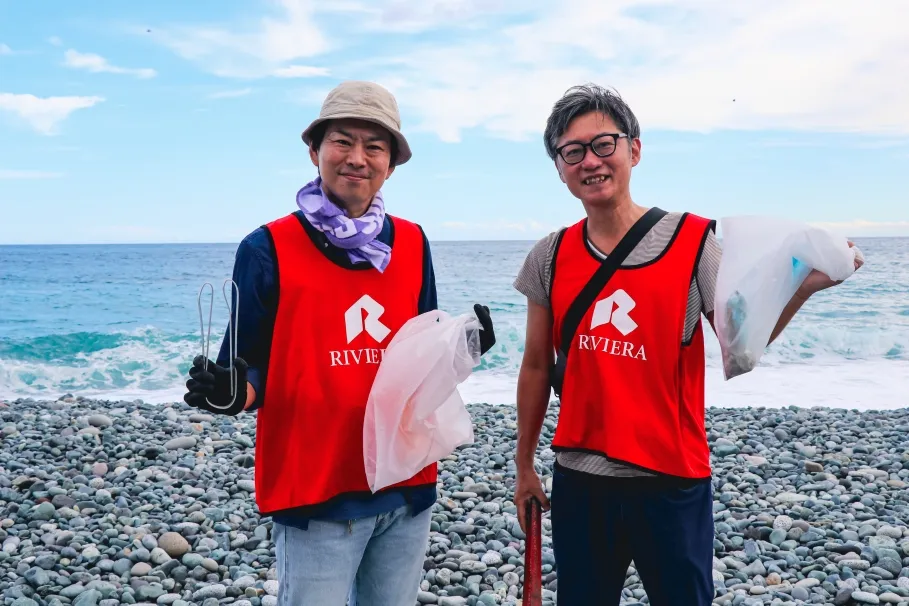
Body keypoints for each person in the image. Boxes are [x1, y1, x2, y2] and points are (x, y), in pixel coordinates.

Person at [511, 83, 863, 605]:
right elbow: (537, 365)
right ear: (560, 167)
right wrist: (523, 466)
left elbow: (740, 346)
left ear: (634, 148)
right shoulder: (550, 254)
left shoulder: (694, 241)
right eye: (572, 151)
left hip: (671, 477)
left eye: (603, 144)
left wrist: (806, 288)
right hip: (582, 480)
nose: (590, 161)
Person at [183, 80, 496, 606]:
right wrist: (230, 394)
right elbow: (249, 370)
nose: (357, 158)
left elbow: (420, 362)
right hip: (317, 489)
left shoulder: (414, 243)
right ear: (315, 151)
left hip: (405, 481)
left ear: (391, 163)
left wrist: (462, 350)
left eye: (374, 146)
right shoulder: (267, 247)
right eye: (342, 141)